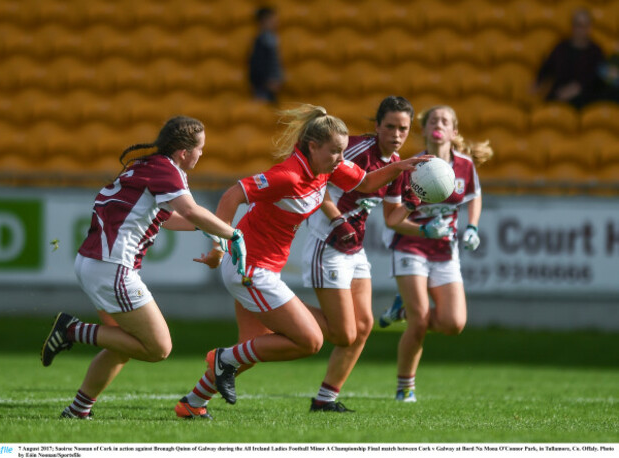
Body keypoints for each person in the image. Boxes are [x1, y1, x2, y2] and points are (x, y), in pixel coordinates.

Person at [174, 104, 429, 419]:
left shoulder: (328, 167)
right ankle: (222, 358)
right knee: (309, 341)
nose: (341, 157)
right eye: (335, 151)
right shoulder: (288, 175)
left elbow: (366, 183)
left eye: (342, 151)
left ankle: (192, 403)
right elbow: (231, 195)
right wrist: (217, 243)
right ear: (313, 146)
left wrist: (403, 166)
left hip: (265, 270)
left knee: (254, 348)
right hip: (249, 270)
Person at [40, 116, 247, 419]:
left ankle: (78, 409)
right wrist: (233, 234)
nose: (202, 154)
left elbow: (169, 218)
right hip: (111, 268)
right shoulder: (167, 171)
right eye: (200, 148)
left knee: (124, 344)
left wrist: (212, 232)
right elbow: (190, 210)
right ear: (183, 151)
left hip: (96, 263)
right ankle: (72, 330)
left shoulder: (150, 166)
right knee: (158, 348)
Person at [301, 96, 420, 412]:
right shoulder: (353, 150)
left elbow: (393, 217)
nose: (396, 134)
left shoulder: (396, 163)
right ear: (377, 125)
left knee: (363, 325)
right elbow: (317, 186)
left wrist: (414, 203)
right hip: (327, 244)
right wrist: (337, 219)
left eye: (403, 128)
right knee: (344, 332)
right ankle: (276, 308)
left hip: (354, 250)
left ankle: (325, 399)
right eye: (390, 126)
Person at [378, 105, 493, 403]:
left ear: (454, 132)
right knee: (419, 323)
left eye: (445, 121)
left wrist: (473, 227)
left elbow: (474, 196)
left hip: (445, 250)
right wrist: (423, 231)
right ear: (425, 129)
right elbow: (392, 218)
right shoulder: (409, 167)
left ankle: (402, 309)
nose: (438, 124)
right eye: (433, 120)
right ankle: (405, 387)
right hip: (411, 246)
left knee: (453, 324)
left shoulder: (465, 165)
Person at [534, 8, 606, 109]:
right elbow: (547, 67)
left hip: (585, 101)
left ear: (590, 27)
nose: (582, 29)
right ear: (572, 26)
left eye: (585, 25)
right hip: (559, 96)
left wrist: (578, 88)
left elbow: (598, 79)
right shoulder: (561, 48)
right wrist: (538, 82)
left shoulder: (596, 52)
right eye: (578, 25)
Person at [248, 6, 284, 103]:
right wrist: (267, 82)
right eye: (272, 19)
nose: (276, 22)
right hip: (264, 88)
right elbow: (257, 65)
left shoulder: (271, 39)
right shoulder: (261, 41)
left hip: (271, 87)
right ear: (264, 20)